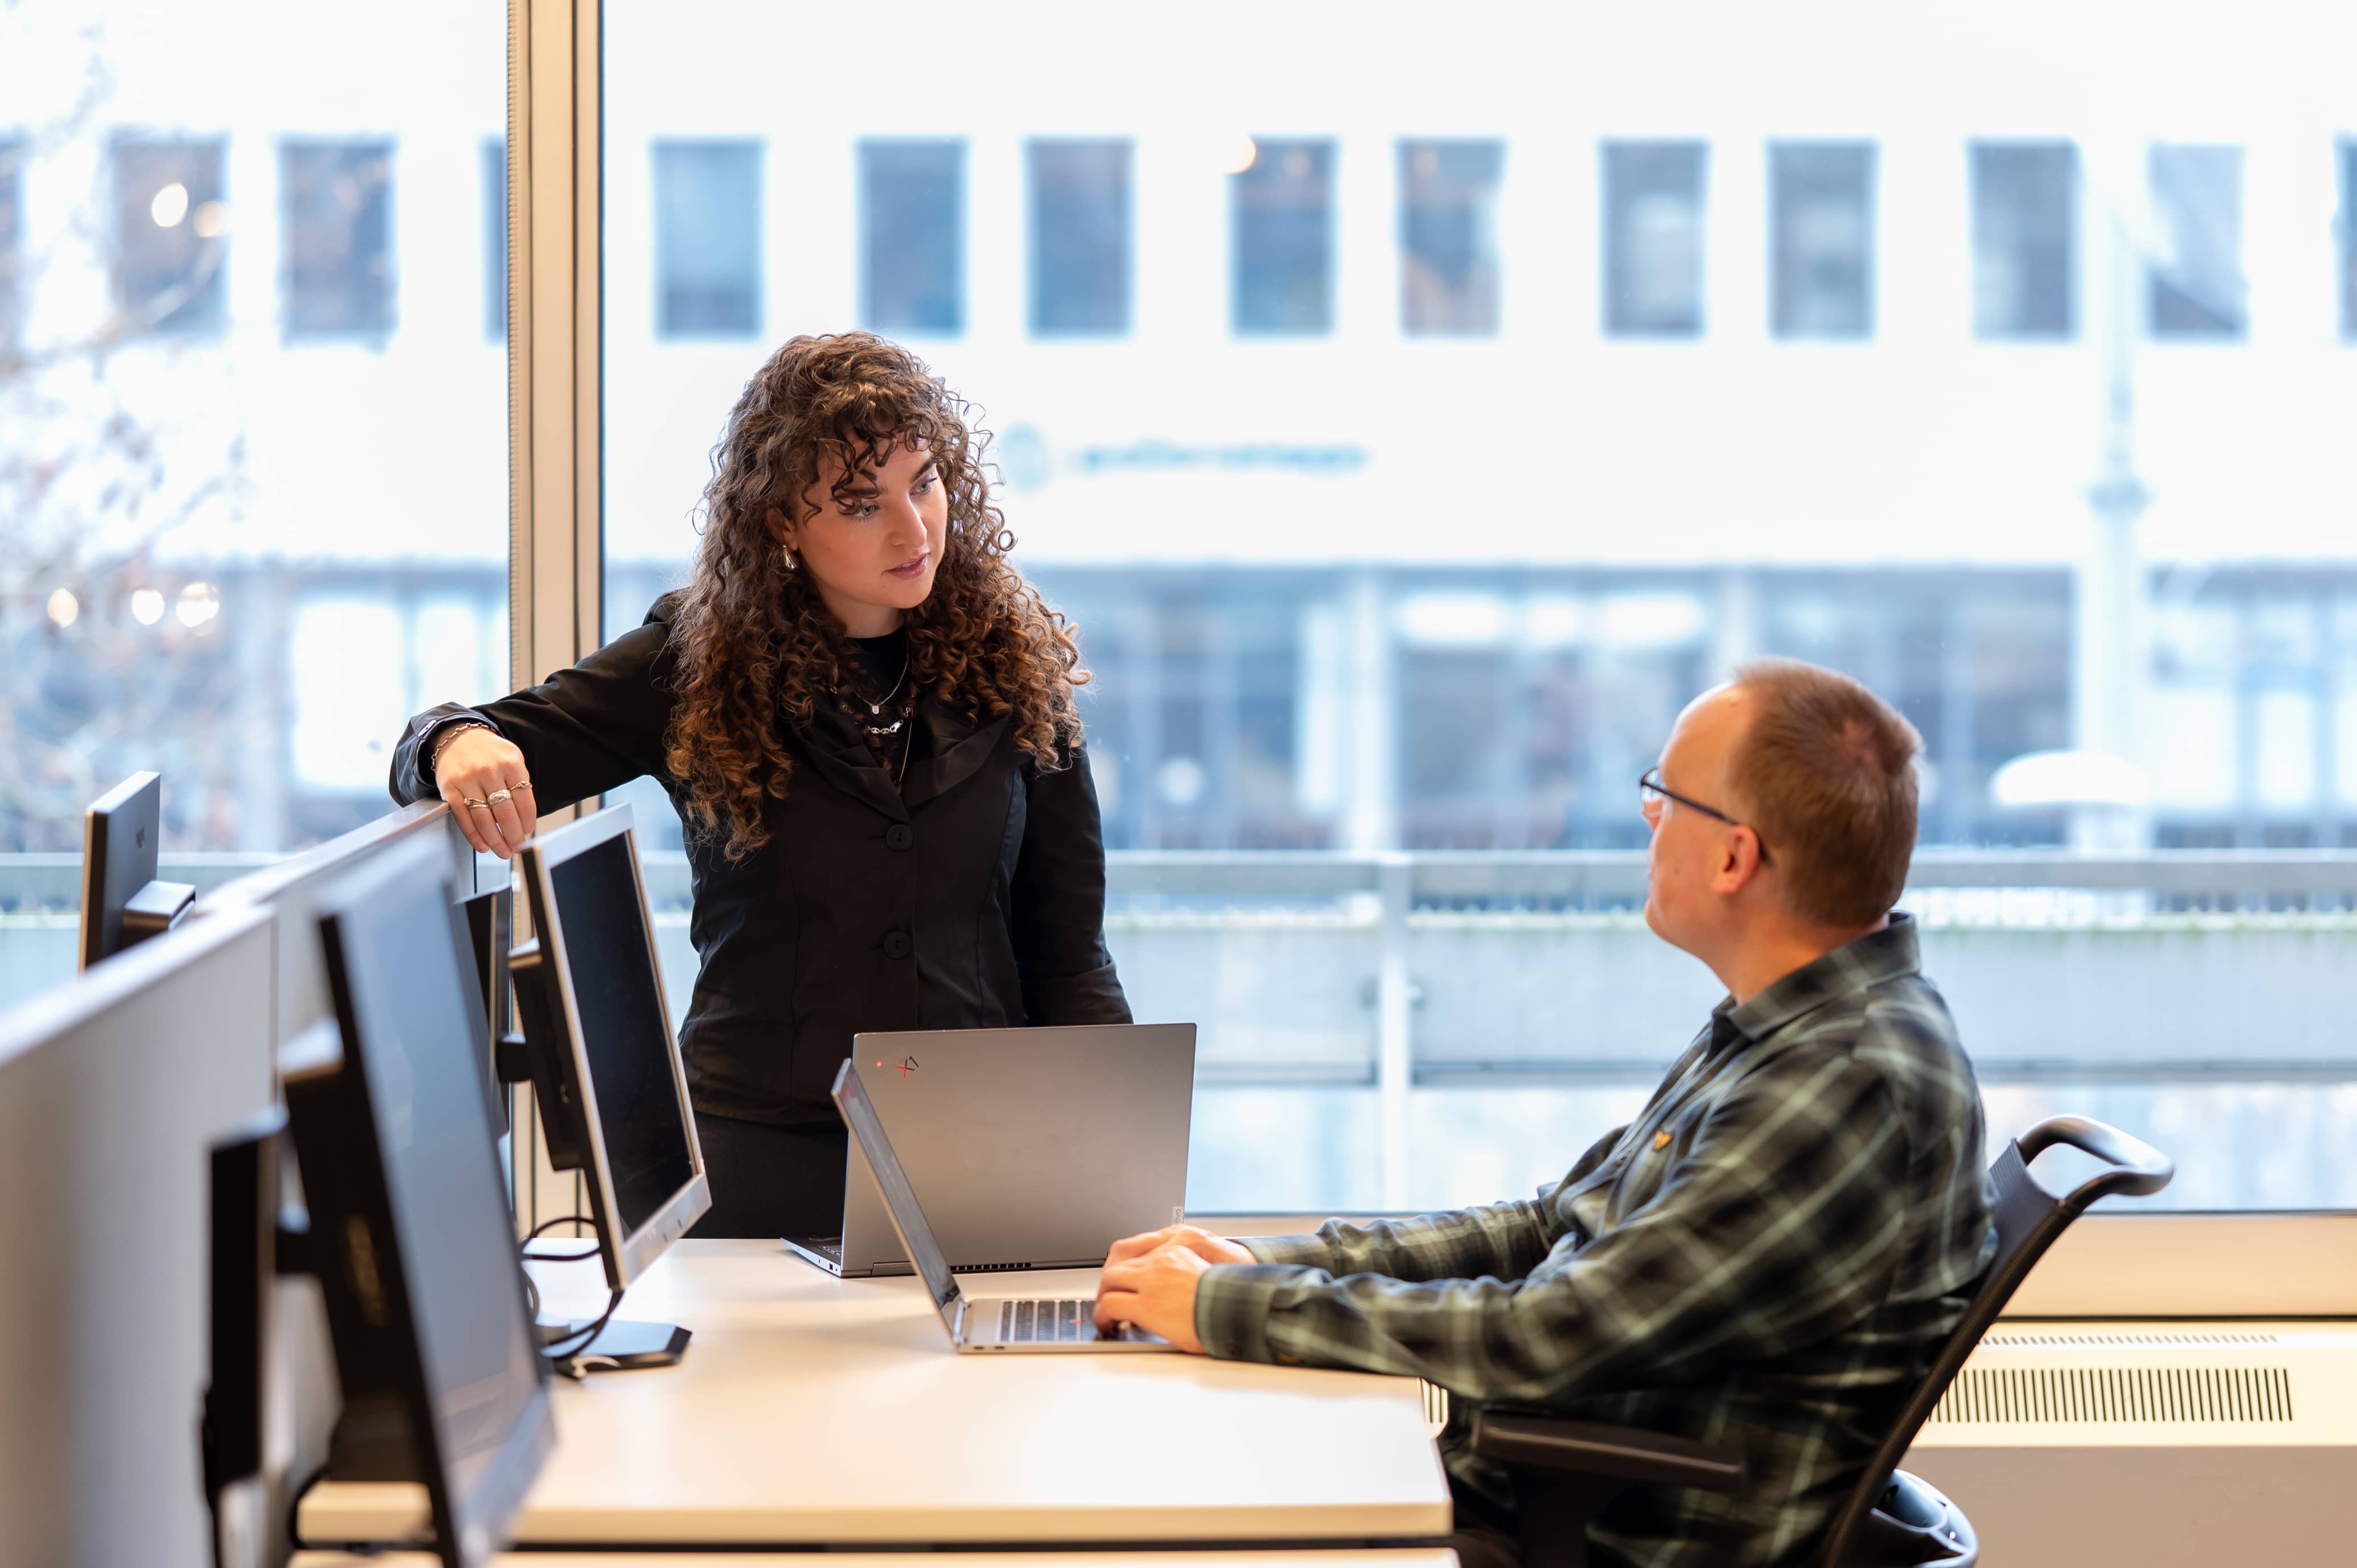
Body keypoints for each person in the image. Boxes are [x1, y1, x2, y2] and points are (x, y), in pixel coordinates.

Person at [1092, 659, 1996, 1568]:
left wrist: (1234, 1310)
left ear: (1734, 856)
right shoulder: (1785, 1027)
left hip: (1581, 1542)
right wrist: (1262, 1262)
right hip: (1523, 1499)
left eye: (1665, 794)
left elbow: (1549, 1336)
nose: (1648, 818)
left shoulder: (1842, 1078)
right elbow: (1550, 1224)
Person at [389, 332, 1130, 1239]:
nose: (914, 530)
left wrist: (1116, 1174)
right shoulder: (695, 663)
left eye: (925, 483)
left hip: (977, 1158)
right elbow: (463, 745)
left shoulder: (1012, 666)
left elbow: (1069, 954)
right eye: (862, 504)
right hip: (753, 1161)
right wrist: (451, 740)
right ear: (780, 521)